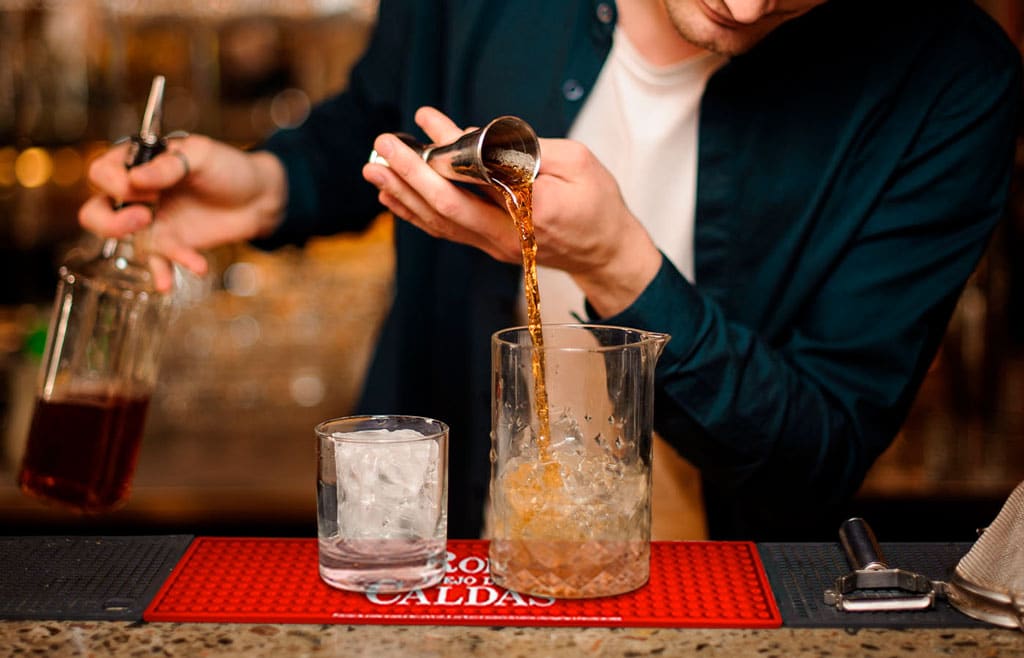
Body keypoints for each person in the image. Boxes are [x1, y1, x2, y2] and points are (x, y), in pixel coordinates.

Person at [80, 0, 1022, 540]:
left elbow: (817, 458)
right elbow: (374, 118)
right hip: (435, 561)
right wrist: (265, 185)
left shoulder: (951, 77)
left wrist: (620, 265)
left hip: (711, 600)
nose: (741, 6)